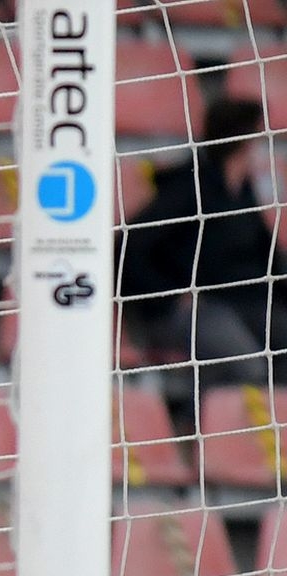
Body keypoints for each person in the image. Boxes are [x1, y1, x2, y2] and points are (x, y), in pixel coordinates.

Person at [119, 97, 281, 386]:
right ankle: (204, 412)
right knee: (249, 367)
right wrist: (170, 295)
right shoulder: (187, 187)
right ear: (244, 141)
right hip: (189, 311)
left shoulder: (243, 191)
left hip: (242, 303)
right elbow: (127, 248)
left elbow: (267, 258)